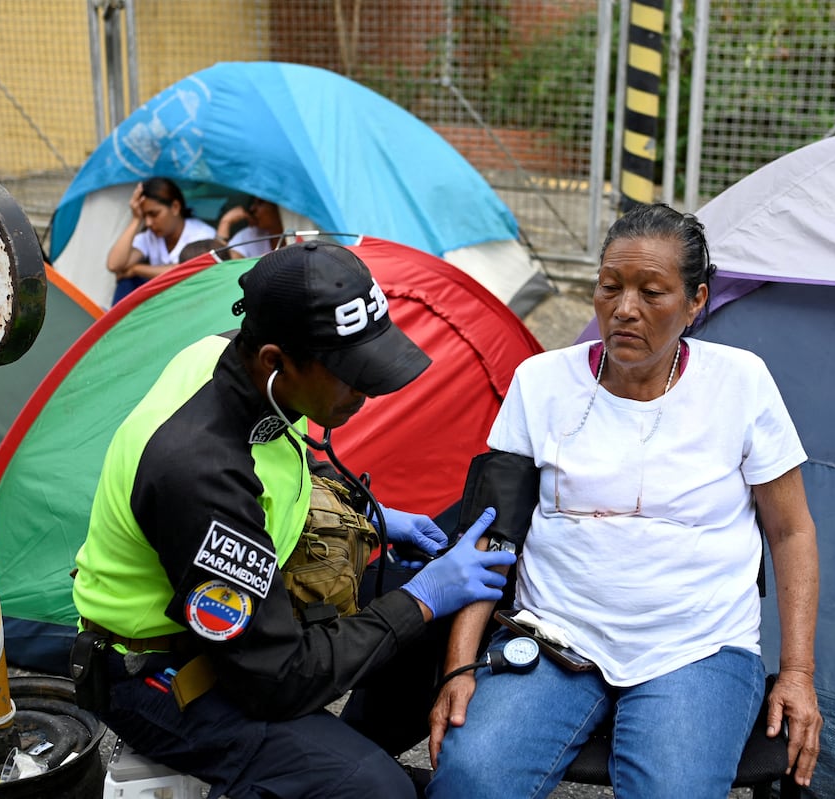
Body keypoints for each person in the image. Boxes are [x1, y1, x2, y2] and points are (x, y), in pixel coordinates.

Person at [72, 240, 517, 799]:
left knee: (449, 589)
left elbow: (275, 462)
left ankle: (337, 752)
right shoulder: (200, 475)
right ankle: (333, 772)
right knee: (377, 790)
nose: (365, 392)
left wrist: (371, 517)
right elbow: (277, 678)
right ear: (275, 362)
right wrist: (422, 596)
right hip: (155, 669)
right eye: (349, 374)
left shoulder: (235, 363)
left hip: (241, 616)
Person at [426, 202, 823, 799]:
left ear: (696, 302)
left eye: (653, 292)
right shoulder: (541, 383)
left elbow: (792, 533)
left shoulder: (741, 384)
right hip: (556, 636)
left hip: (696, 646)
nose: (625, 309)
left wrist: (796, 674)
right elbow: (491, 533)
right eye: (610, 287)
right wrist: (459, 665)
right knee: (470, 777)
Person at [106, 177, 217, 304]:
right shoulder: (150, 236)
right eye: (144, 216)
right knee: (126, 282)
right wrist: (136, 220)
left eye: (154, 214)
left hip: (187, 302)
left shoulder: (202, 234)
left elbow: (185, 272)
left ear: (175, 207)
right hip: (159, 302)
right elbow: (114, 265)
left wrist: (136, 269)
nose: (148, 223)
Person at [217, 195, 286, 259]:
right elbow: (223, 266)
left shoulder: (296, 236)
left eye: (261, 202)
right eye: (254, 203)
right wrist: (225, 223)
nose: (252, 208)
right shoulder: (250, 235)